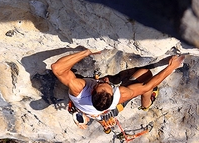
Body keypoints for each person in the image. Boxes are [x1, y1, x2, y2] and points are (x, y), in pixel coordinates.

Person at [51, 49, 185, 130]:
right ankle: (146, 105)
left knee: (145, 82)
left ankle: (86, 116)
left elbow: (57, 68)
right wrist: (171, 67)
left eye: (103, 83)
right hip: (106, 112)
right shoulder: (119, 96)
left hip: (90, 109)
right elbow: (146, 86)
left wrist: (88, 52)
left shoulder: (79, 90)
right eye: (104, 83)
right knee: (145, 76)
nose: (104, 80)